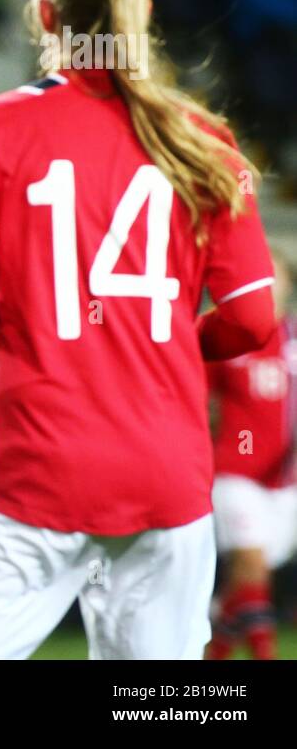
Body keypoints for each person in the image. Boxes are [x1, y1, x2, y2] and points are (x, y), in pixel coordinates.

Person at [0, 0, 277, 660]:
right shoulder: (202, 140)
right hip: (166, 472)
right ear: (141, 10)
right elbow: (253, 319)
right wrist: (167, 339)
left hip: (33, 461)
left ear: (45, 14)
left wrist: (36, 326)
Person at [206, 252, 296, 660]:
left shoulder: (294, 340)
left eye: (274, 277)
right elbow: (191, 394)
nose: (267, 284)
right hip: (235, 474)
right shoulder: (230, 336)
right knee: (252, 566)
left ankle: (212, 653)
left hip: (285, 483)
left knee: (244, 586)